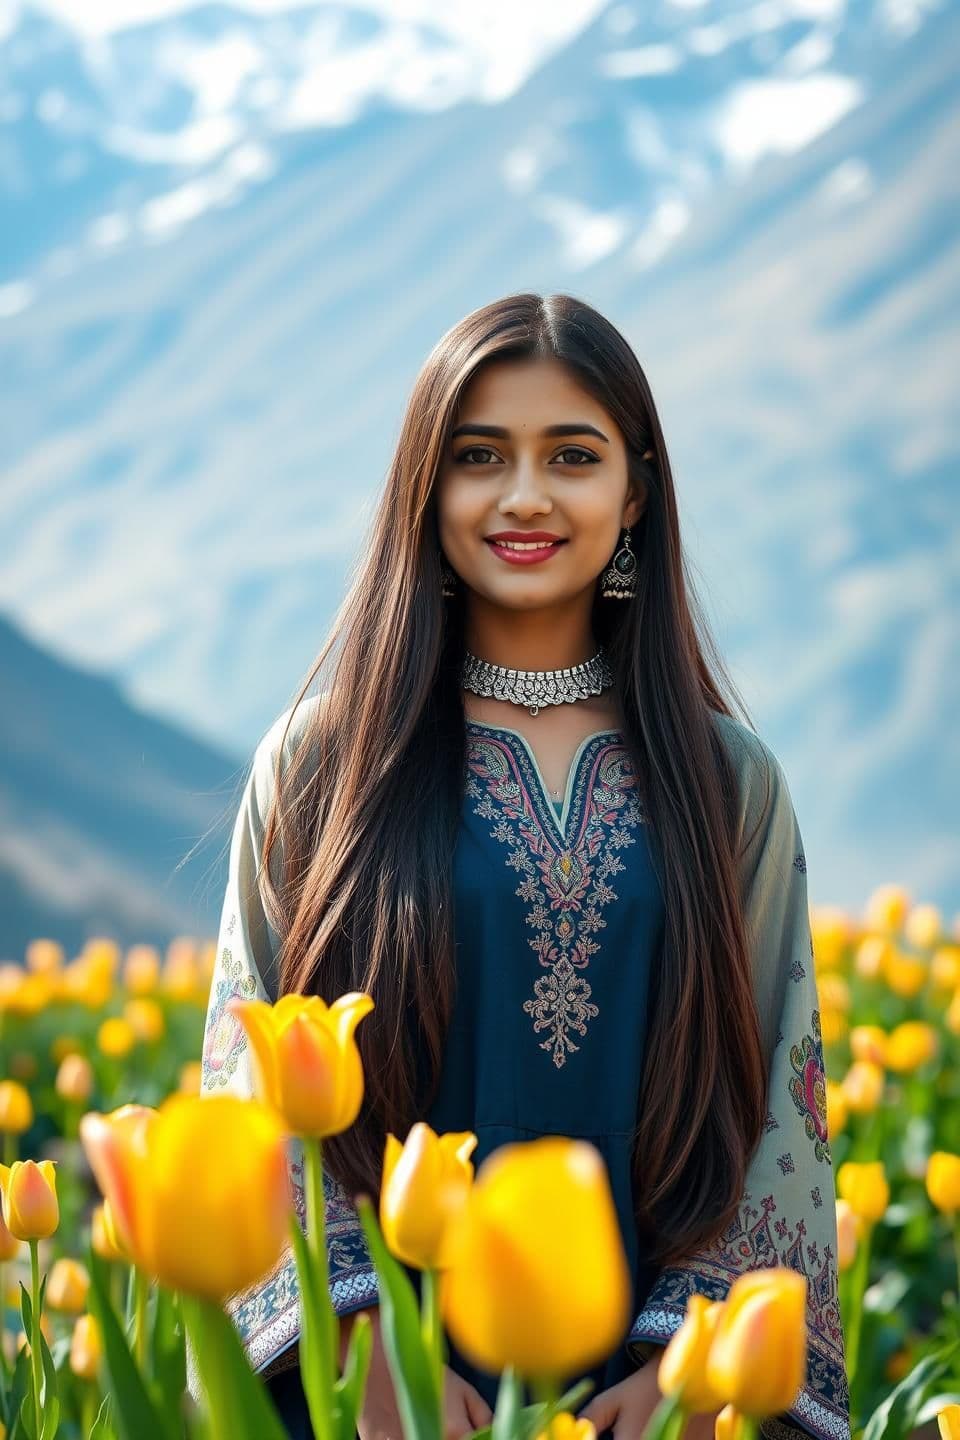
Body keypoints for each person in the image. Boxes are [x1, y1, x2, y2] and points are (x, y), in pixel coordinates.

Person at [192, 293, 850, 1440]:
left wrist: (692, 1371)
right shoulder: (321, 766)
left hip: (648, 1401)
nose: (527, 495)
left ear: (636, 491)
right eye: (479, 455)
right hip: (375, 1400)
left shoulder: (729, 782)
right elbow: (251, 1090)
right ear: (425, 486)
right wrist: (367, 1353)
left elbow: (776, 1106)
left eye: (573, 456)